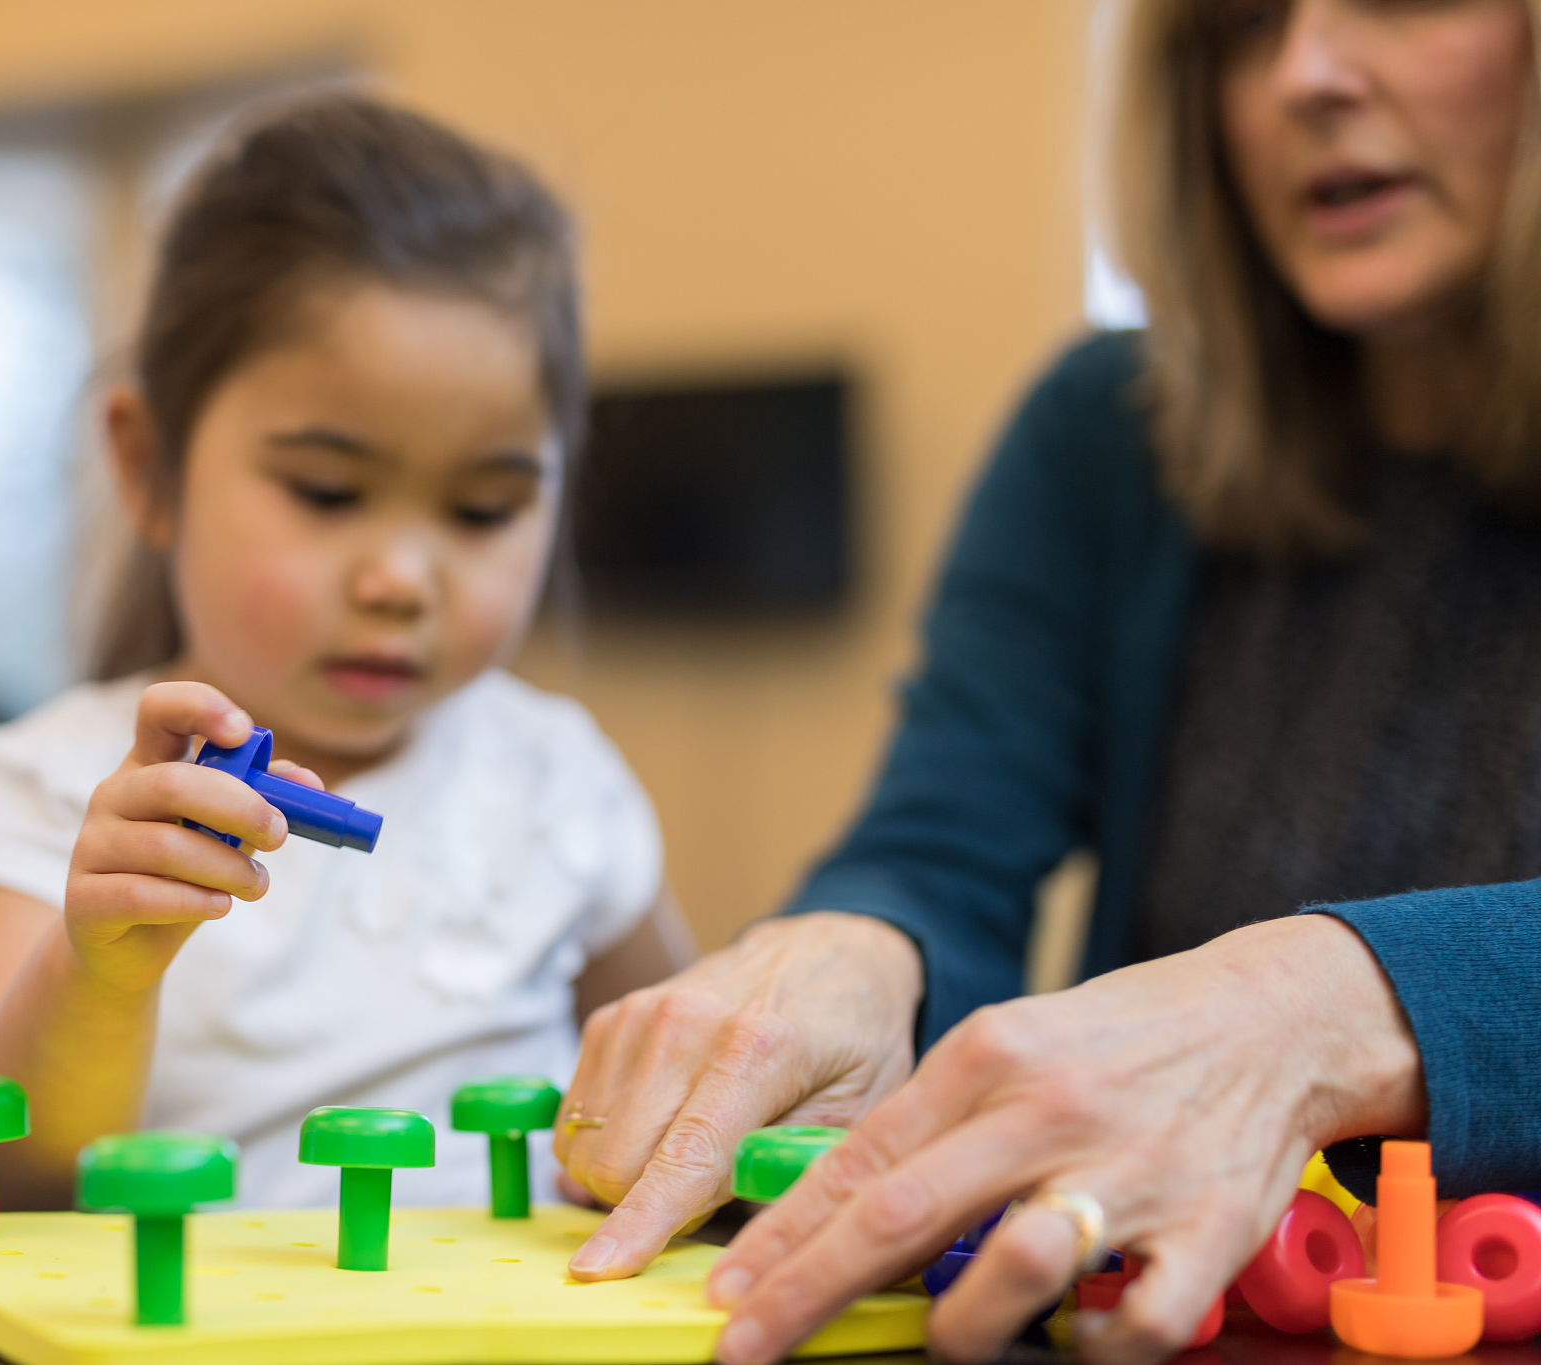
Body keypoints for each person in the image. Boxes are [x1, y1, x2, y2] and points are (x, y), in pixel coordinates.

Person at [552, 2, 1541, 1362]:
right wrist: (861, 948)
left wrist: (1336, 1003)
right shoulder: (1108, 432)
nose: (1302, 75)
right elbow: (939, 850)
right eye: (1245, 25)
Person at [0, 93, 696, 1211]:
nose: (401, 580)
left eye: (482, 509)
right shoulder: (31, 790)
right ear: (147, 466)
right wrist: (100, 966)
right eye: (325, 492)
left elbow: (683, 1082)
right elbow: (12, 1180)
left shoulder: (559, 773)